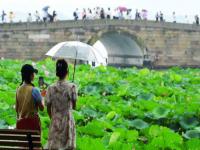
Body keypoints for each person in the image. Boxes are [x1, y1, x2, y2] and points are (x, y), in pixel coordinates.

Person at [46, 59, 78, 149]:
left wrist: (53, 117)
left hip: (55, 120)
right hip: (67, 121)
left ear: (57, 72)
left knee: (54, 147)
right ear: (67, 71)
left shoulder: (50, 88)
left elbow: (48, 107)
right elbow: (74, 107)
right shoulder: (72, 87)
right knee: (67, 147)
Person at [16, 64, 44, 134]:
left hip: (21, 125)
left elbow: (16, 109)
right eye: (33, 74)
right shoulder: (35, 90)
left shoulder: (18, 89)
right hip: (32, 125)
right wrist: (42, 98)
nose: (34, 75)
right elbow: (42, 108)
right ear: (31, 75)